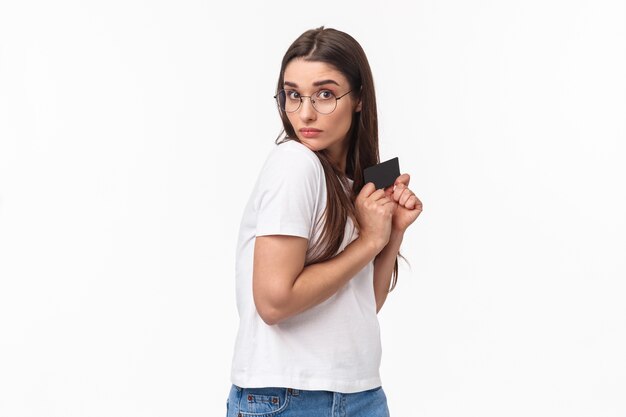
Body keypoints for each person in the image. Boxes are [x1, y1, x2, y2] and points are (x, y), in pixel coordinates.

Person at [225, 26, 422, 417]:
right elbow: (273, 302)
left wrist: (391, 232)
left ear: (359, 99)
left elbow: (362, 304)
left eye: (325, 94)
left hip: (358, 391)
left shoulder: (347, 182)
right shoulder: (294, 164)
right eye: (293, 95)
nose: (305, 113)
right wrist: (366, 242)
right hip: (291, 396)